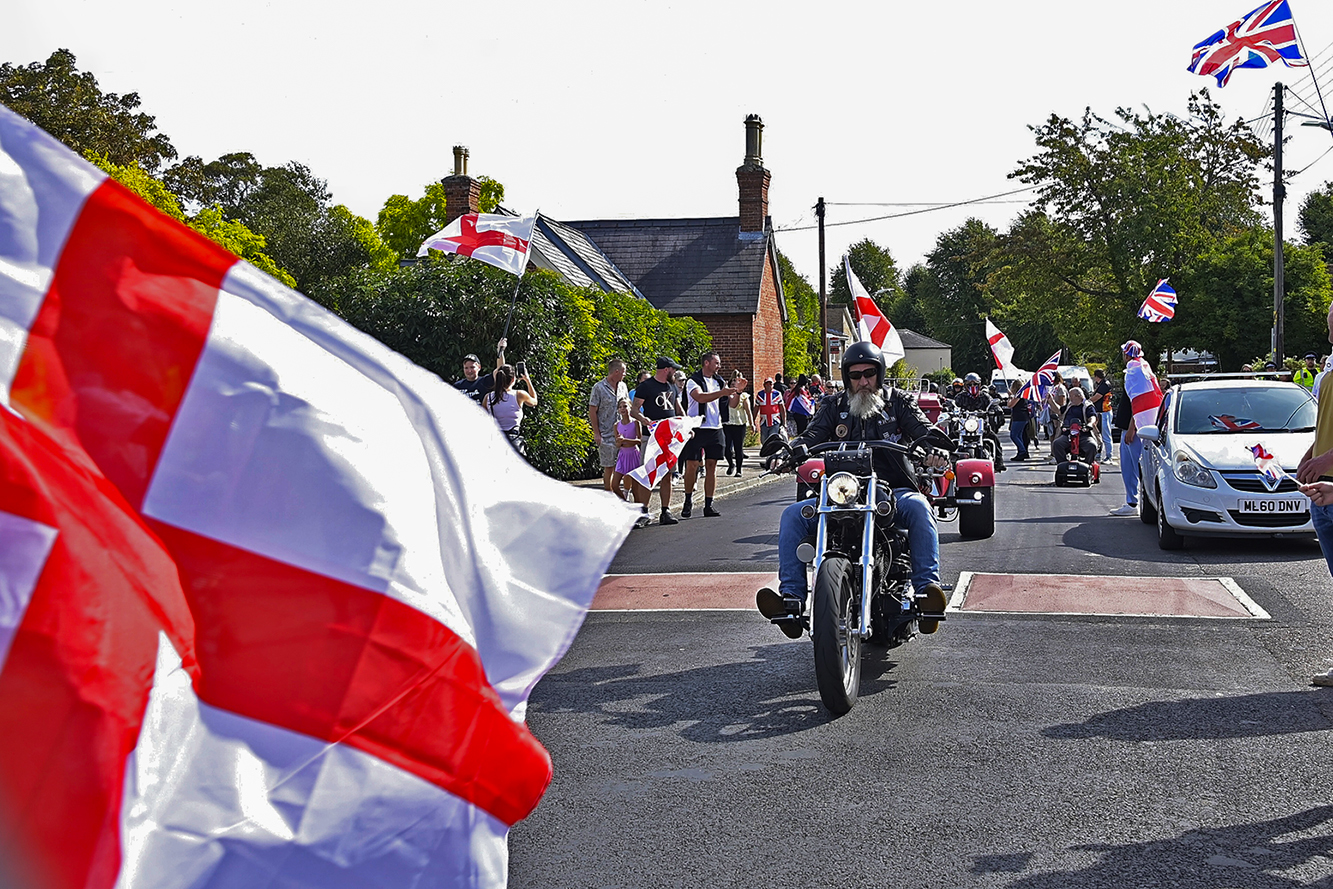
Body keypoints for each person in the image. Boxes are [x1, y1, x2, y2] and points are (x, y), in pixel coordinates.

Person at [757, 342, 950, 635]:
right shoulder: (833, 405)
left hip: (892, 489)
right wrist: (788, 451)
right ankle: (792, 599)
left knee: (920, 507)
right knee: (793, 516)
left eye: (869, 374)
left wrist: (932, 447)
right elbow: (811, 435)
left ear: (879, 374)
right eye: (855, 375)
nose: (862, 382)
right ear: (847, 377)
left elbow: (922, 429)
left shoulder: (899, 402)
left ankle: (926, 593)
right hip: (842, 491)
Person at [1298, 302, 1333, 685]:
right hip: (1324, 492)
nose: (1328, 333)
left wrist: (1327, 459)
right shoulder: (1327, 368)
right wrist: (1312, 453)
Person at [680, 351, 744, 518]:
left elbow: (732, 404)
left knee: (711, 466)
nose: (719, 366)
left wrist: (737, 392)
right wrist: (722, 393)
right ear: (706, 363)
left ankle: (709, 504)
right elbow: (700, 398)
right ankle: (688, 501)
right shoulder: (693, 381)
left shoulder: (719, 381)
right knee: (692, 465)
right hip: (697, 427)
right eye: (716, 363)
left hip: (715, 428)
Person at [632, 357, 686, 524]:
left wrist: (686, 424)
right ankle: (643, 512)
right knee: (648, 474)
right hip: (651, 437)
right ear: (665, 369)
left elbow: (677, 408)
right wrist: (644, 420)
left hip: (669, 438)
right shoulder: (646, 387)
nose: (675, 372)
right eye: (673, 369)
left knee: (667, 474)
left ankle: (665, 511)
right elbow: (634, 410)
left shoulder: (672, 386)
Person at [1109, 349, 1143, 516]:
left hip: (1132, 431)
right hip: (1127, 429)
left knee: (1134, 467)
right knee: (1128, 467)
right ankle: (1132, 501)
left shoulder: (1135, 373)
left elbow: (1137, 403)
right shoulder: (1135, 371)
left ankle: (1134, 502)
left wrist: (1132, 428)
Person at [589, 358, 629, 493]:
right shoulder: (599, 387)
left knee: (626, 465)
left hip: (623, 432)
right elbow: (592, 410)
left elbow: (627, 405)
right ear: (616, 371)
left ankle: (625, 493)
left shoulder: (623, 386)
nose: (625, 374)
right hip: (606, 433)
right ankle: (609, 494)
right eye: (623, 371)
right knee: (609, 466)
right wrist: (596, 433)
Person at [610, 398, 651, 528]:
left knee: (635, 487)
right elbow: (617, 444)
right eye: (621, 407)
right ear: (618, 410)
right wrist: (619, 442)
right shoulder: (617, 425)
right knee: (614, 484)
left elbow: (639, 440)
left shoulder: (635, 423)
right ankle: (627, 506)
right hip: (623, 455)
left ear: (629, 408)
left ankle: (640, 513)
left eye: (625, 406)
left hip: (634, 455)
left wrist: (626, 440)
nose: (623, 409)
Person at [953, 372, 1006, 471]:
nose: (972, 386)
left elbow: (993, 404)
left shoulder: (984, 396)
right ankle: (944, 463)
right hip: (964, 425)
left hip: (981, 425)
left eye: (975, 384)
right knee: (949, 438)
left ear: (979, 385)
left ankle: (999, 462)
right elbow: (953, 405)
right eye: (969, 384)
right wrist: (948, 408)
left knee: (994, 439)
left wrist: (997, 409)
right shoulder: (960, 397)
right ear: (965, 385)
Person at [483, 363, 537, 455]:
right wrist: (527, 380)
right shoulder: (519, 395)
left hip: (496, 441)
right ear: (513, 379)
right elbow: (534, 402)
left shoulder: (488, 397)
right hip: (514, 440)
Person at [1051, 386, 1099, 464]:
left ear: (1078, 396)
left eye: (1071, 396)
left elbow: (1093, 417)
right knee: (1057, 443)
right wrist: (1050, 400)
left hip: (1084, 435)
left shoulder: (1087, 406)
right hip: (1068, 435)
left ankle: (1087, 465)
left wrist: (1090, 424)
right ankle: (1063, 464)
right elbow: (1058, 411)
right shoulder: (1069, 405)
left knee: (1092, 445)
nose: (1069, 398)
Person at [453, 337, 507, 406]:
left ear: (479, 367)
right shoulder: (457, 386)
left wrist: (500, 351)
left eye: (472, 367)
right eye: (466, 368)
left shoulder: (485, 381)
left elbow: (500, 370)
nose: (469, 371)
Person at [723, 369, 753, 477]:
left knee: (738, 447)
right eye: (732, 384)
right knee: (726, 448)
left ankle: (739, 470)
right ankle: (731, 464)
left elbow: (748, 411)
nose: (734, 387)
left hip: (739, 424)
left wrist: (752, 424)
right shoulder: (726, 396)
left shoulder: (743, 396)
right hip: (727, 423)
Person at [754, 377, 787, 443]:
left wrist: (784, 421)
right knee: (764, 441)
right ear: (764, 385)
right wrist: (753, 421)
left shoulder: (777, 394)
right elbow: (756, 408)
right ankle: (766, 453)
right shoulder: (760, 395)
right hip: (764, 422)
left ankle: (772, 452)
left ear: (773, 385)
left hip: (775, 421)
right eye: (767, 384)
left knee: (772, 439)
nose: (769, 386)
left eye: (770, 384)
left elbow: (782, 408)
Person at [1092, 369, 1115, 462]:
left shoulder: (1105, 385)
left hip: (1105, 412)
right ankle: (1099, 453)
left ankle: (1109, 456)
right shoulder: (1101, 384)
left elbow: (1097, 397)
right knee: (1098, 434)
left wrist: (1087, 401)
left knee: (1106, 434)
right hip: (1100, 412)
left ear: (1097, 376)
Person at [1007, 381, 1031, 461]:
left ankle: (1022, 451)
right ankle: (1021, 451)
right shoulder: (1023, 394)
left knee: (1014, 435)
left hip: (1019, 417)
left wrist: (1010, 396)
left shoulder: (1019, 395)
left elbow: (1010, 405)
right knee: (1019, 435)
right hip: (1023, 417)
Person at [1045, 371, 1068, 451]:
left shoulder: (1061, 388)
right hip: (1052, 414)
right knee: (1051, 434)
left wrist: (1052, 402)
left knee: (1057, 434)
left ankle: (1055, 452)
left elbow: (1062, 403)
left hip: (1058, 415)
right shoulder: (1053, 388)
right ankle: (1052, 452)